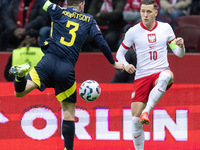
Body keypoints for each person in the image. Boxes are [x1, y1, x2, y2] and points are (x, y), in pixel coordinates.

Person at [9, 0, 124, 150]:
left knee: (20, 92)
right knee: (68, 112)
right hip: (66, 69)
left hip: (47, 62)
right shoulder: (89, 20)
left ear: (68, 2)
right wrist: (113, 63)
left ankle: (20, 76)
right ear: (82, 4)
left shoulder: (57, 10)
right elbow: (101, 43)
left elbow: (42, 2)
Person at [116, 0, 185, 149]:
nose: (145, 15)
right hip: (142, 76)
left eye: (148, 12)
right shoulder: (133, 31)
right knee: (134, 122)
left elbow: (179, 54)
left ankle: (146, 111)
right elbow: (120, 54)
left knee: (166, 76)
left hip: (160, 72)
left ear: (155, 12)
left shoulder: (165, 28)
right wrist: (126, 65)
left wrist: (181, 46)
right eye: (142, 11)